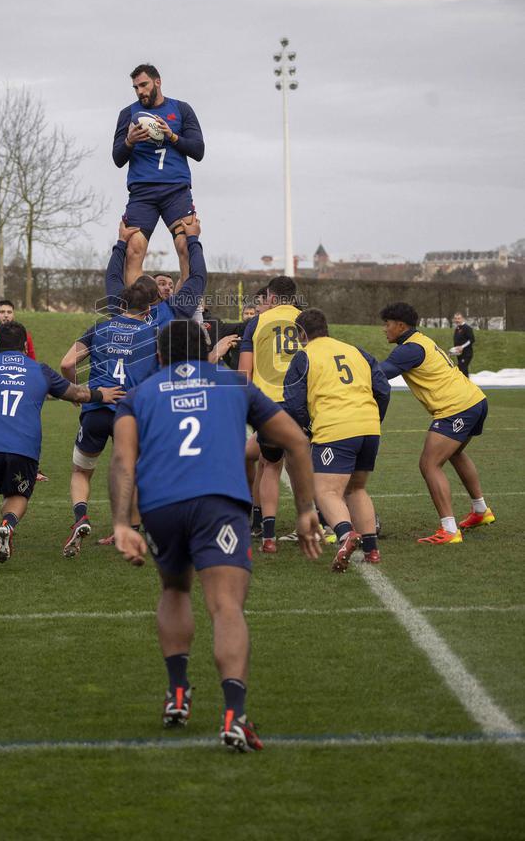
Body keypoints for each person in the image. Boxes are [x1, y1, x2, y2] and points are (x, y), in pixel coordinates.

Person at [109, 320, 321, 751]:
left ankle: (178, 693)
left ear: (161, 356)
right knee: (225, 606)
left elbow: (122, 461)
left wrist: (119, 523)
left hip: (161, 506)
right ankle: (234, 715)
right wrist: (304, 510)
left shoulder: (139, 394)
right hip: (218, 502)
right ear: (209, 350)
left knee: (174, 588)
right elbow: (296, 441)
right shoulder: (233, 384)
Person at [0, 321, 124, 575]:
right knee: (17, 496)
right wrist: (100, 394)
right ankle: (7, 523)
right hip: (23, 447)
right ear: (26, 345)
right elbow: (75, 393)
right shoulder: (39, 370)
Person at [378, 302, 495, 544]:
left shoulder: (408, 349)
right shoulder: (420, 340)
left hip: (457, 408)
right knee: (456, 453)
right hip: (474, 400)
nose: (384, 329)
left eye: (387, 324)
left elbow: (379, 374)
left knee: (429, 464)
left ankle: (450, 530)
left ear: (400, 326)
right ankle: (481, 511)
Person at [284, 309, 391, 570]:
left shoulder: (304, 356)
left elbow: (293, 401)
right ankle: (372, 550)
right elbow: (383, 388)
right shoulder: (356, 350)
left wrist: (308, 428)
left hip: (336, 428)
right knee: (356, 489)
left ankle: (345, 534)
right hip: (368, 427)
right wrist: (373, 418)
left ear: (302, 334)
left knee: (324, 490)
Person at [59, 280, 159, 556]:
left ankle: (81, 517)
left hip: (97, 408)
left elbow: (67, 364)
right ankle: (129, 531)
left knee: (81, 471)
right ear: (150, 305)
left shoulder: (101, 327)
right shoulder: (154, 332)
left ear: (123, 304)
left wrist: (80, 393)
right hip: (130, 412)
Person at [112, 64, 205, 285]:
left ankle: (186, 313)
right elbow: (117, 158)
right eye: (135, 87)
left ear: (157, 82)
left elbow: (198, 151)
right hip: (142, 192)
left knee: (186, 246)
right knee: (133, 249)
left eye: (143, 85)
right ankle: (136, 315)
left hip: (176, 190)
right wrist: (129, 141)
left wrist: (172, 136)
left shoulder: (182, 110)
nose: (140, 91)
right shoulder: (128, 114)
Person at [238, 276, 302, 553]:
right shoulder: (307, 319)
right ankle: (315, 524)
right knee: (304, 467)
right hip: (303, 404)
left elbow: (244, 373)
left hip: (269, 406)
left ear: (272, 298)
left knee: (271, 465)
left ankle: (268, 535)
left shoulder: (257, 322)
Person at [0, 299, 47, 481]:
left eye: (9, 312)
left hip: (18, 391)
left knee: (26, 426)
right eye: (2, 311)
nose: (6, 315)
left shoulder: (24, 336)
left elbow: (33, 363)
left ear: (14, 314)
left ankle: (32, 467)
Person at [105, 217, 206, 328]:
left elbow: (113, 277)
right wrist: (193, 239)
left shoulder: (121, 306)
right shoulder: (174, 309)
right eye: (161, 284)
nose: (167, 288)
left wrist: (121, 242)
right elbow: (198, 276)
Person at [451, 312, 475, 377]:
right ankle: (467, 385)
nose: (457, 320)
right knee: (464, 372)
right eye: (455, 318)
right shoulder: (457, 328)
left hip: (467, 354)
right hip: (460, 354)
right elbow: (457, 342)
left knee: (461, 369)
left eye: (459, 318)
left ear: (462, 319)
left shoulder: (467, 328)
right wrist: (453, 351)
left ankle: (465, 385)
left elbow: (471, 340)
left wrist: (462, 347)